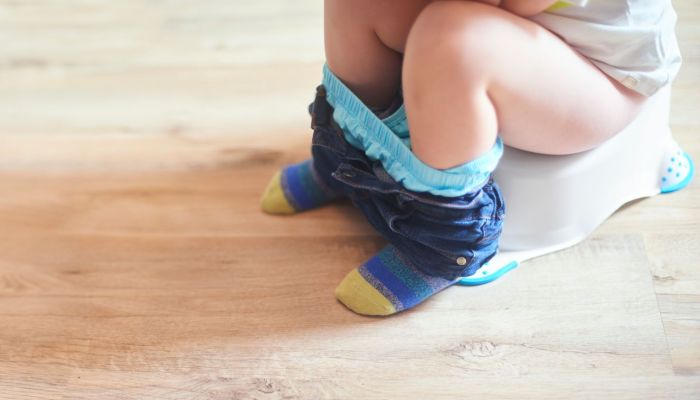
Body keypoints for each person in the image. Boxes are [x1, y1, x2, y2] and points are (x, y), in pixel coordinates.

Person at [260, 0, 682, 316]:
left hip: (604, 68)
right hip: (531, 27)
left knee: (453, 40)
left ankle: (440, 246)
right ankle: (348, 160)